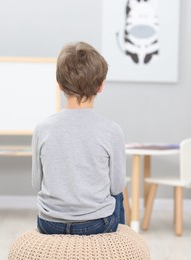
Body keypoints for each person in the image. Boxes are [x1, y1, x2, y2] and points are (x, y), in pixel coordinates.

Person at [31, 41, 126, 235]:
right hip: (96, 224)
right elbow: (116, 186)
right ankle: (117, 246)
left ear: (59, 85)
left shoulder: (42, 128)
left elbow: (36, 183)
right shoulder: (112, 130)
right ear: (101, 86)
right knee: (118, 196)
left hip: (49, 224)